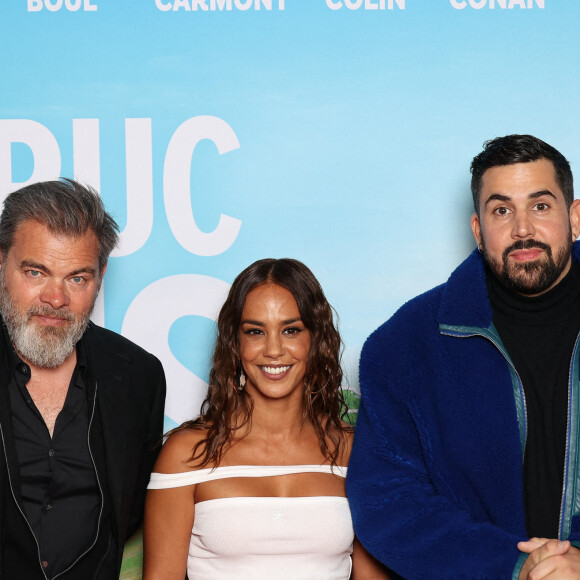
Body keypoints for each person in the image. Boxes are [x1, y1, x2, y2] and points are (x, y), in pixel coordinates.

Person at [346, 134, 580, 580]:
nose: (523, 228)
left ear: (575, 216)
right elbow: (389, 501)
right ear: (477, 229)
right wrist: (514, 566)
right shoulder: (402, 345)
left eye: (541, 205)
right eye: (502, 210)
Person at [143, 258, 389, 579]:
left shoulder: (355, 451)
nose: (273, 349)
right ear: (236, 343)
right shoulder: (187, 454)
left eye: (290, 330)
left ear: (314, 339)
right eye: (256, 331)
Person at [0, 179, 166, 579]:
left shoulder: (138, 376)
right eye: (36, 272)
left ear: (101, 274)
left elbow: (130, 514)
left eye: (77, 278)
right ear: (1, 261)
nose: (56, 299)